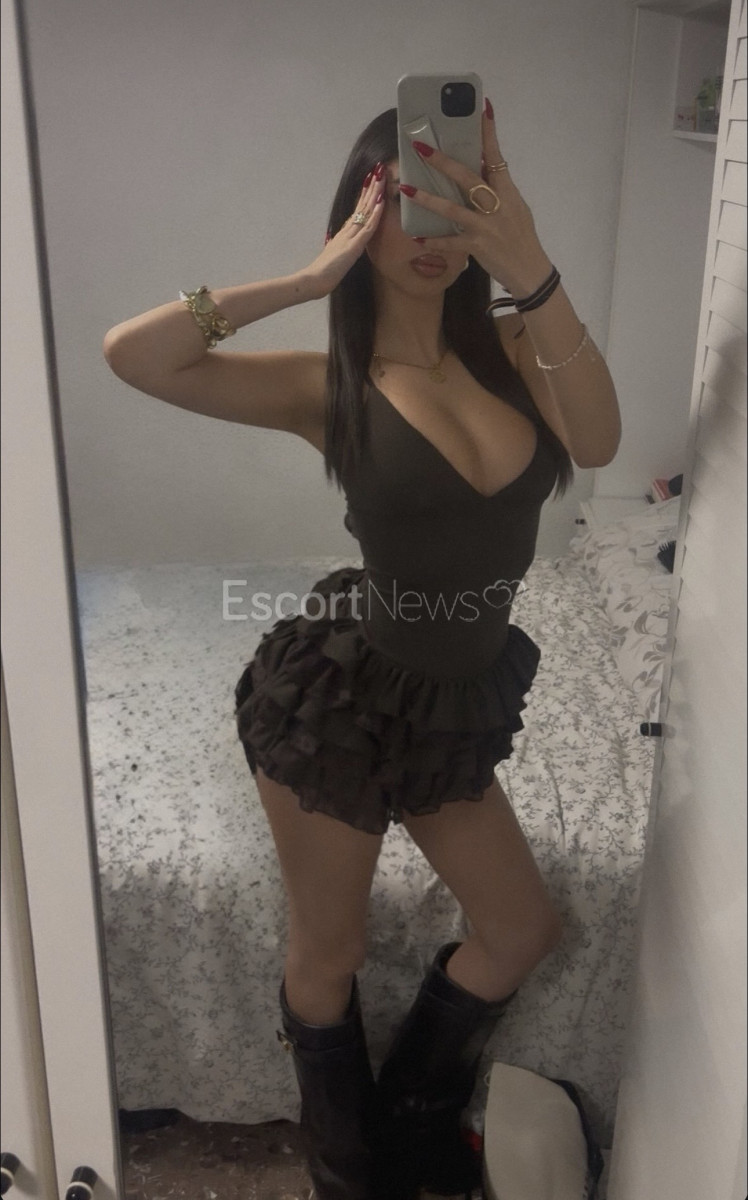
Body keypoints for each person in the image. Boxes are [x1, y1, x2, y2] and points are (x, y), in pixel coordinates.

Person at [103, 99, 621, 1200]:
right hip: (338, 706)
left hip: (450, 702)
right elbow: (133, 356)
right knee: (328, 954)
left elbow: (601, 439)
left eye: (456, 200)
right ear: (362, 213)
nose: (432, 232)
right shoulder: (324, 381)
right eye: (406, 202)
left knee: (521, 929)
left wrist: (528, 259)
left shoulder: (518, 346)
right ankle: (349, 1175)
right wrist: (305, 281)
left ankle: (409, 1123)